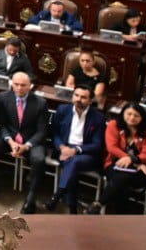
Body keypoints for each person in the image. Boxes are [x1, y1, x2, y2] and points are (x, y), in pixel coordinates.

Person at [0, 72, 47, 213]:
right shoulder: (3, 97)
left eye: (23, 85)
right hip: (9, 137)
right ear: (11, 83)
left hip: (31, 140)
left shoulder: (40, 103)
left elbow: (42, 131)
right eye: (16, 84)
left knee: (39, 159)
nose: (19, 88)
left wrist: (26, 146)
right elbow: (1, 124)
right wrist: (10, 141)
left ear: (30, 86)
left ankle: (31, 197)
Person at [43, 86, 106, 214]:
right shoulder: (62, 110)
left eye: (83, 97)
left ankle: (57, 196)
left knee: (74, 162)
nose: (78, 99)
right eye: (76, 95)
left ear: (90, 100)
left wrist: (76, 150)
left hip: (86, 153)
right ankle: (72, 207)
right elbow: (54, 133)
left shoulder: (98, 117)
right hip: (64, 149)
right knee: (72, 166)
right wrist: (62, 147)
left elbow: (97, 144)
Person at [96, 103, 146, 214]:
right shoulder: (114, 124)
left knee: (121, 180)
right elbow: (112, 147)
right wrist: (133, 159)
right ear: (123, 113)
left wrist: (133, 160)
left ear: (142, 117)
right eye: (129, 114)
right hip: (114, 164)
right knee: (122, 181)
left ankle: (98, 204)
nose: (132, 118)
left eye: (136, 115)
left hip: (140, 171)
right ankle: (121, 215)